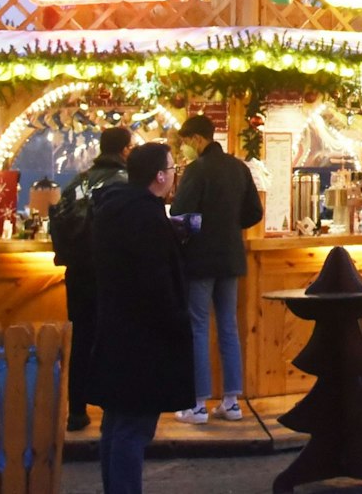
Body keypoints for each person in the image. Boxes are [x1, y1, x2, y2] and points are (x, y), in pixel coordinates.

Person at [88, 142, 194, 494]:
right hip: (145, 338)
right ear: (159, 175)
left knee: (116, 423)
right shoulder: (147, 217)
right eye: (172, 167)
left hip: (116, 329)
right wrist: (177, 320)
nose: (175, 172)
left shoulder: (112, 208)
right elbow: (155, 282)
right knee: (133, 428)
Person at [169, 115, 263, 425]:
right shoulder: (238, 168)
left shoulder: (197, 171)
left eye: (185, 143)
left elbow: (181, 214)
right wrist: (228, 226)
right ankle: (232, 402)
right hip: (231, 257)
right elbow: (254, 212)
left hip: (200, 259)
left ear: (197, 139)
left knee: (197, 326)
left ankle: (196, 405)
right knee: (228, 326)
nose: (184, 150)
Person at [50, 126, 133, 430]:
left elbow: (59, 216)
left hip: (80, 273)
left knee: (82, 339)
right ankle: (114, 410)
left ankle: (77, 410)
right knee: (117, 340)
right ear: (124, 150)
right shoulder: (127, 182)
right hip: (116, 275)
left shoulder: (80, 182)